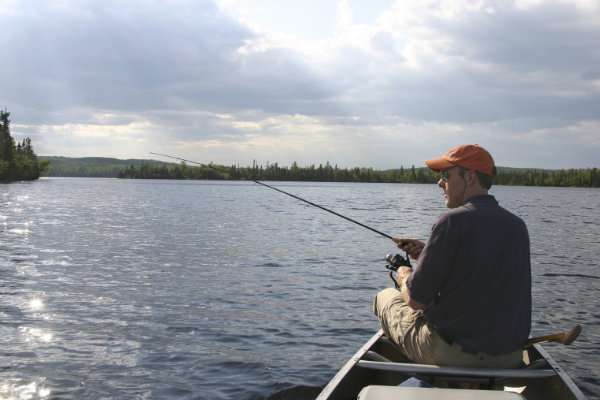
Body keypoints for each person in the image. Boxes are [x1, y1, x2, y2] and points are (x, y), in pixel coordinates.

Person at [373, 144, 531, 368]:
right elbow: (479, 270)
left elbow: (416, 301)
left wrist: (405, 276)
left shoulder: (451, 221)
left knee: (386, 297)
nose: (440, 182)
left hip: (454, 355)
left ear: (469, 177)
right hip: (509, 357)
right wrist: (429, 253)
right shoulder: (517, 226)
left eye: (446, 175)